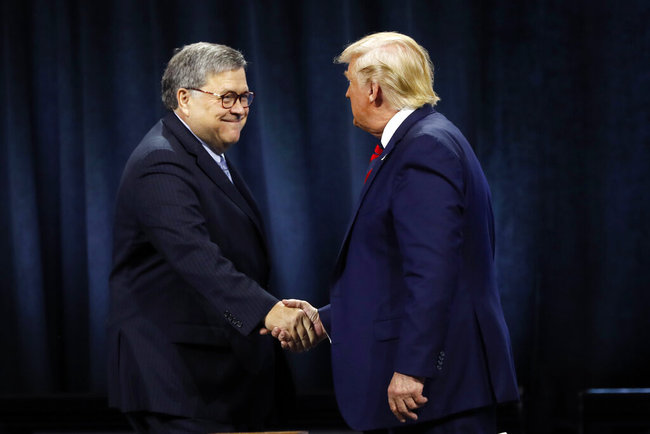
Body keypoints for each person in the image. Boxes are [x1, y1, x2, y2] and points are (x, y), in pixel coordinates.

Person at [279, 32, 519, 433]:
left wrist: (413, 367)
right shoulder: (425, 140)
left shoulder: (424, 148)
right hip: (442, 393)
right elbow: (396, 274)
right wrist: (325, 321)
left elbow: (433, 271)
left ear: (373, 90)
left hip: (437, 395)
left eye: (350, 83)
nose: (346, 94)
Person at [107, 42, 317, 433]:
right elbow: (195, 256)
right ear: (184, 98)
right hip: (178, 381)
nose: (239, 108)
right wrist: (268, 312)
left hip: (220, 379)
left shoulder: (204, 154)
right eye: (227, 97)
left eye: (245, 96)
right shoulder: (161, 160)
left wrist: (269, 309)